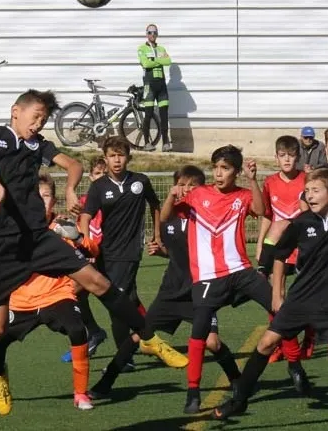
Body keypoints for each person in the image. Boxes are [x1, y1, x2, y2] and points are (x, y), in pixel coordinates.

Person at [0, 89, 178, 416]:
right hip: (0, 245)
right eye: (34, 116)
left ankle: (147, 335)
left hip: (37, 237)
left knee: (95, 280)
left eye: (43, 120)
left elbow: (73, 164)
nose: (38, 124)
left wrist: (69, 185)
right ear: (16, 111)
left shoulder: (39, 145)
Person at [212, 168, 328, 431]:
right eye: (307, 191)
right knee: (266, 343)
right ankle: (240, 400)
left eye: (315, 190)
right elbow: (279, 255)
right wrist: (277, 293)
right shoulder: (301, 222)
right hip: (299, 299)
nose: (309, 195)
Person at [160, 144, 309, 414]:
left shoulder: (242, 195)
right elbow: (166, 217)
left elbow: (264, 211)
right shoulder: (198, 194)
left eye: (225, 168)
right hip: (207, 277)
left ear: (236, 172)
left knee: (280, 309)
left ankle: (294, 364)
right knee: (200, 333)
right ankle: (193, 391)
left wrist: (252, 180)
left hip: (241, 271)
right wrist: (171, 195)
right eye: (215, 167)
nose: (218, 173)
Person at [0, 175, 96, 410]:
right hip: (21, 301)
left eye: (45, 196)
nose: (40, 202)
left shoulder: (62, 225)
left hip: (56, 296)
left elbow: (93, 250)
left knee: (78, 330)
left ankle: (81, 394)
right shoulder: (17, 229)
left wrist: (76, 237)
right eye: (36, 197)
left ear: (53, 201)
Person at [89, 166, 240, 399]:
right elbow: (178, 251)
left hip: (199, 293)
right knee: (140, 335)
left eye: (193, 185)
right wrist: (162, 252)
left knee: (211, 342)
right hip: (169, 293)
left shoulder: (207, 217)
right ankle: (105, 383)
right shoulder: (170, 219)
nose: (186, 189)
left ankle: (238, 382)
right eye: (182, 184)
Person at [79, 136, 186, 371]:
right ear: (105, 159)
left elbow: (156, 206)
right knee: (120, 298)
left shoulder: (140, 181)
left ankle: (124, 356)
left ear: (128, 157)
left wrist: (158, 236)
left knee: (116, 303)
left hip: (128, 253)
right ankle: (145, 337)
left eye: (121, 155)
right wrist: (86, 243)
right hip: (104, 253)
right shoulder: (99, 187)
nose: (117, 160)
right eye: (112, 156)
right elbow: (86, 216)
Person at [256, 135, 316, 361]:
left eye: (291, 156)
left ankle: (309, 336)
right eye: (283, 156)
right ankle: (280, 344)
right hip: (278, 248)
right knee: (275, 296)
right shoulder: (270, 182)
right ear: (276, 157)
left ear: (298, 158)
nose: (287, 160)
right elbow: (267, 216)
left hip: (302, 247)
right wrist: (261, 244)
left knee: (303, 296)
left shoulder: (306, 179)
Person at [61, 157, 108, 363]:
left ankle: (138, 339)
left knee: (122, 300)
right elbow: (74, 227)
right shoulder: (81, 202)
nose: (100, 178)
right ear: (90, 176)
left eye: (104, 175)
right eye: (97, 174)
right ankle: (93, 334)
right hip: (87, 256)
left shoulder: (112, 200)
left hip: (106, 255)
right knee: (75, 296)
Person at [137, 24, 172, 152]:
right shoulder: (141, 48)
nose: (152, 35)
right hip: (149, 86)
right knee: (149, 113)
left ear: (157, 34)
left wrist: (154, 60)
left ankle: (166, 143)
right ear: (146, 34)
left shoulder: (161, 48)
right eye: (150, 32)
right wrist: (159, 60)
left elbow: (168, 61)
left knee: (164, 115)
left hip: (161, 86)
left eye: (155, 32)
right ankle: (147, 142)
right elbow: (145, 64)